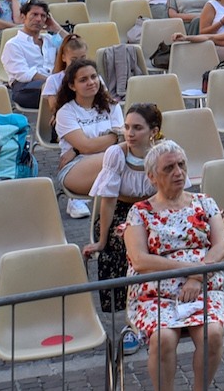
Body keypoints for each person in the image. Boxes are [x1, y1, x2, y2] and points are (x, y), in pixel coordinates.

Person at [125, 140, 224, 389]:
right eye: (169, 168)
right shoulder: (139, 212)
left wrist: (195, 278)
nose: (178, 172)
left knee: (212, 334)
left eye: (181, 165)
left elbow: (220, 247)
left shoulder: (205, 203)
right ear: (152, 177)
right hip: (155, 294)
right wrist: (187, 269)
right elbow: (139, 260)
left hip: (202, 287)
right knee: (163, 340)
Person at [86, 102, 162, 312]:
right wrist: (101, 241)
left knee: (160, 241)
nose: (130, 133)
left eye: (138, 128)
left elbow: (170, 195)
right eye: (127, 127)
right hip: (121, 211)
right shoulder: (116, 154)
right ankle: (125, 309)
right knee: (120, 243)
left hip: (153, 211)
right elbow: (108, 201)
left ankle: (158, 302)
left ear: (153, 131)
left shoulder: (161, 155)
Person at [53, 59, 123, 214]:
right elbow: (86, 146)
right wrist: (117, 136)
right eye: (83, 80)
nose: (91, 82)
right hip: (76, 167)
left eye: (94, 77)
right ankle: (76, 200)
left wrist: (77, 148)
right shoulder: (66, 112)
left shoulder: (112, 105)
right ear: (72, 86)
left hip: (112, 159)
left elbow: (123, 139)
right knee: (118, 157)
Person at [1, 0, 62, 108]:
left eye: (43, 16)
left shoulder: (49, 39)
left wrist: (56, 28)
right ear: (23, 17)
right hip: (26, 87)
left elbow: (76, 47)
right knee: (65, 91)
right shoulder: (13, 44)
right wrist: (54, 82)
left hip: (50, 83)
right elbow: (24, 74)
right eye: (34, 14)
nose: (38, 19)